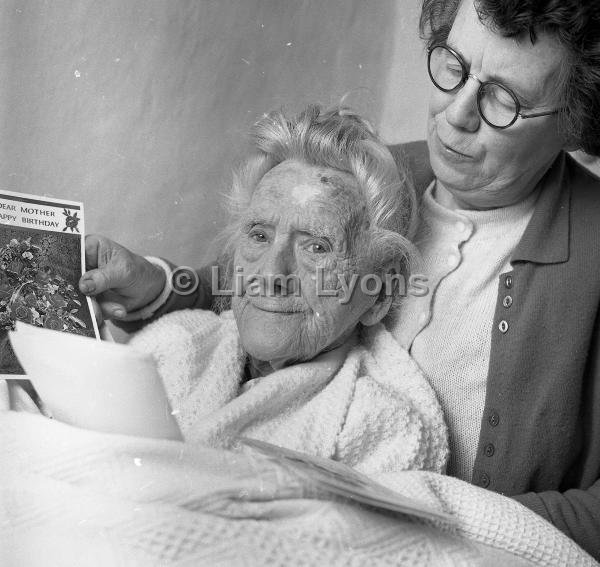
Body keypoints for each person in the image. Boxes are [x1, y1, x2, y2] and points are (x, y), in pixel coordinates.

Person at [79, 0, 600, 559]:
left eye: (504, 98)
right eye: (452, 64)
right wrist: (158, 286)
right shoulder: (373, 174)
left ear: (574, 122)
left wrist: (417, 515)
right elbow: (261, 282)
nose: (456, 115)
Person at [121, 105, 448, 475]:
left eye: (317, 248)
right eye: (259, 235)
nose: (272, 273)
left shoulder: (383, 428)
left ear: (380, 296)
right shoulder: (170, 346)